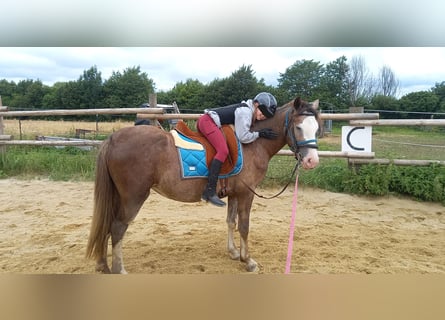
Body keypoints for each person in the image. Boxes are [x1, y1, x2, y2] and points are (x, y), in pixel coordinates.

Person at [197, 92, 279, 207]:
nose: (263, 116)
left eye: (267, 115)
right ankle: (209, 191)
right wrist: (259, 134)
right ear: (256, 104)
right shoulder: (245, 112)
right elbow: (243, 137)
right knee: (223, 151)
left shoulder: (248, 110)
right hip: (207, 122)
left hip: (209, 122)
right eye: (263, 112)